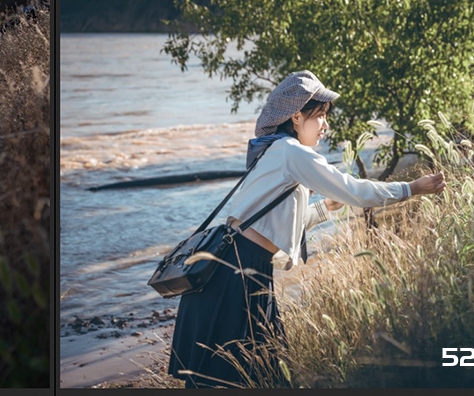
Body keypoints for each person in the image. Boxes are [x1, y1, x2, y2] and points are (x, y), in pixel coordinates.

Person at [167, 70, 446, 388]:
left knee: (250, 372)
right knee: (237, 375)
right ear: (296, 116)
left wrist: (323, 210)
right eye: (319, 116)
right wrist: (411, 188)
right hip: (237, 273)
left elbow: (272, 224)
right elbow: (353, 189)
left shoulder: (275, 149)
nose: (325, 126)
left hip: (241, 266)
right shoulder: (292, 152)